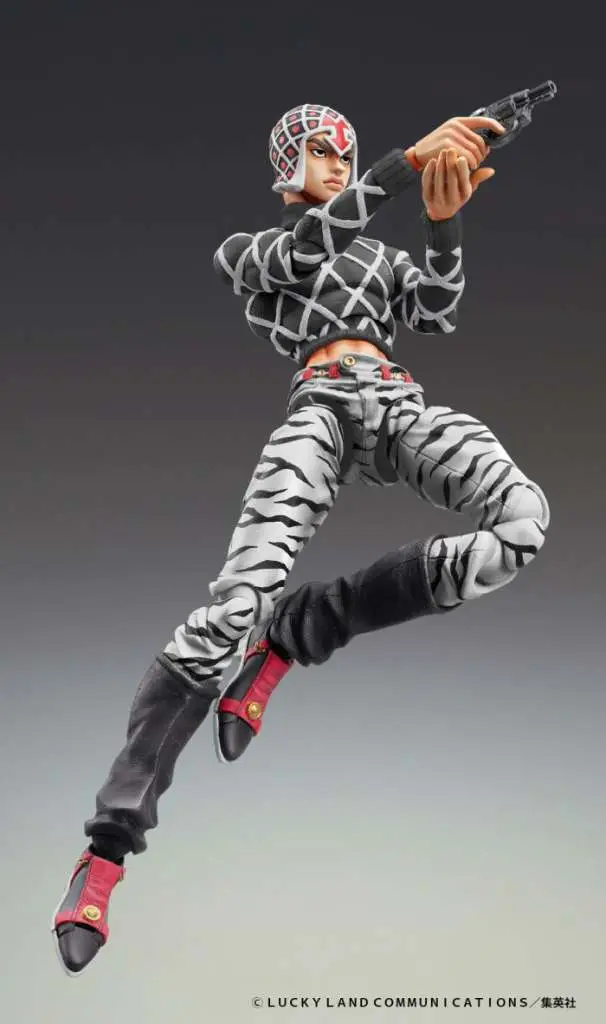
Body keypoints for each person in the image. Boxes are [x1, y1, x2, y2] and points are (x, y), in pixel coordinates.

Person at [52, 104, 549, 975]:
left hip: (396, 404)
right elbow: (303, 251)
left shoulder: (379, 257)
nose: (337, 163)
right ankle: (103, 855)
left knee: (522, 525)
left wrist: (443, 220)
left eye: (346, 154)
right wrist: (403, 167)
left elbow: (437, 312)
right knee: (230, 611)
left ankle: (304, 629)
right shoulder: (250, 252)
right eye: (321, 151)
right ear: (287, 163)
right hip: (316, 413)